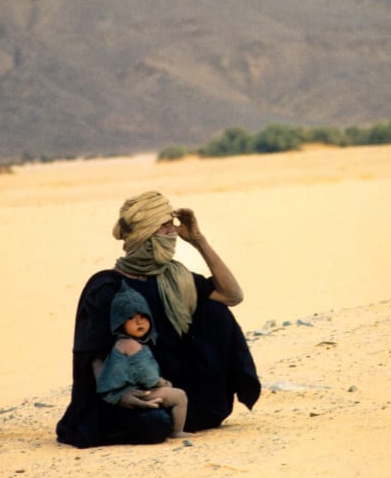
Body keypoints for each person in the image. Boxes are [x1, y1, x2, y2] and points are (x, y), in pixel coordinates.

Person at [56, 190, 260, 448]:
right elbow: (92, 353)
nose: (172, 232)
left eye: (171, 225)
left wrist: (199, 241)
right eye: (164, 227)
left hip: (172, 387)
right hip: (124, 390)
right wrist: (119, 394)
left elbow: (232, 295)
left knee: (215, 311)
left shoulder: (175, 277)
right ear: (145, 234)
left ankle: (189, 409)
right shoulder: (107, 286)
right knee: (152, 425)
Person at [96, 280, 192, 439]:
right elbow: (145, 375)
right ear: (120, 323)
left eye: (143, 317)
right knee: (179, 396)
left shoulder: (131, 343)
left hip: (133, 390)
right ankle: (176, 431)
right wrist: (161, 382)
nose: (139, 322)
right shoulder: (130, 345)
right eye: (131, 318)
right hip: (132, 392)